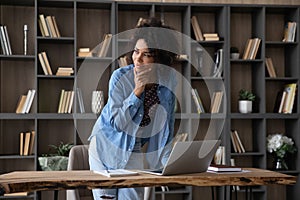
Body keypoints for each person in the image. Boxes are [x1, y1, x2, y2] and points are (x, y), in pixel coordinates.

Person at [88, 18, 178, 200]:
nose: (137, 58)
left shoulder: (169, 82)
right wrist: (138, 91)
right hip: (105, 147)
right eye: (136, 51)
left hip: (133, 147)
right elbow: (118, 123)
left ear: (159, 57)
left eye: (146, 54)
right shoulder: (120, 77)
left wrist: (170, 165)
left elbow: (166, 128)